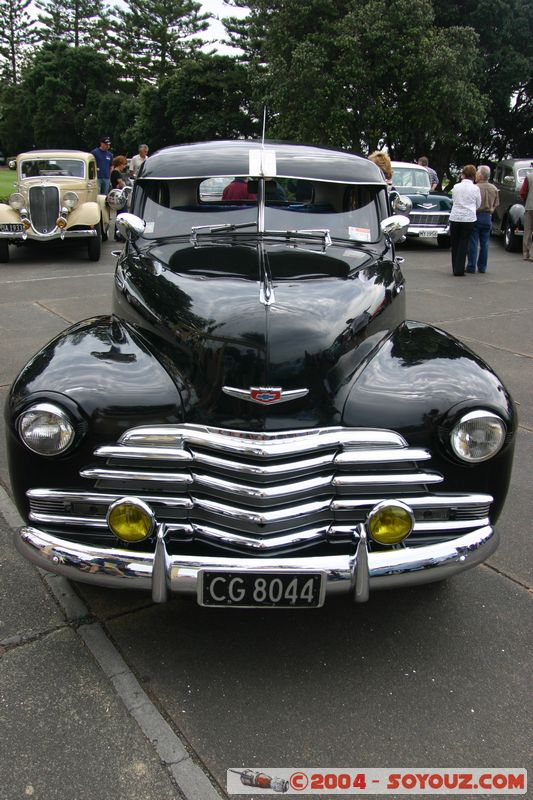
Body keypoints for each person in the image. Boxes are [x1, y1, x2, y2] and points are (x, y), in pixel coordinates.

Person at [466, 166, 499, 273]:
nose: (475, 175)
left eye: (477, 173)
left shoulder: (475, 188)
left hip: (476, 215)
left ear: (480, 175)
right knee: (485, 243)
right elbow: (496, 204)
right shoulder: (494, 188)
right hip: (487, 216)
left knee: (473, 242)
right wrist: (491, 209)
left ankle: (471, 266)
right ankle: (482, 267)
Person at [449, 165, 481, 276]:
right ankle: (459, 269)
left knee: (455, 243)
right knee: (464, 242)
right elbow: (478, 204)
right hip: (468, 218)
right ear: (473, 175)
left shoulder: (456, 186)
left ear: (463, 174)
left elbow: (453, 200)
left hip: (455, 217)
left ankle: (455, 267)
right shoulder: (475, 188)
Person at [520, 169, 533, 261]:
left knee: (527, 230)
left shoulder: (529, 176)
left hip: (530, 206)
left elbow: (523, 192)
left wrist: (527, 200)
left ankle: (526, 253)